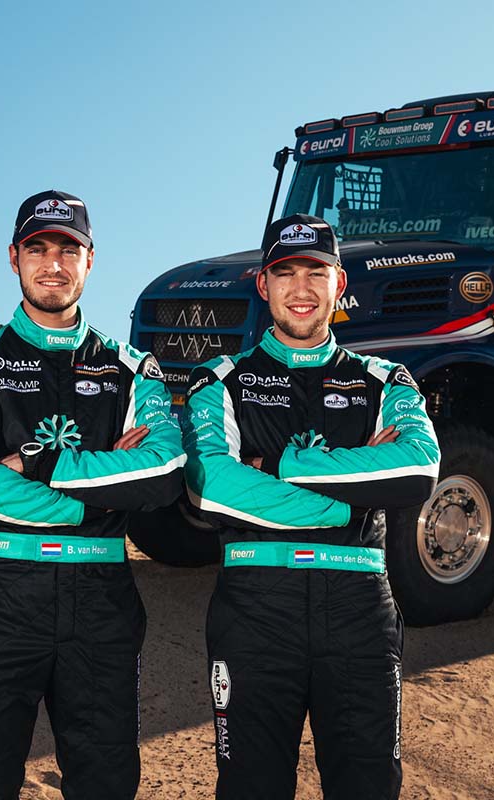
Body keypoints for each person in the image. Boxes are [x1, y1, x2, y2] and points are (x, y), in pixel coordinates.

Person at [0, 189, 185, 799]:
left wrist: (33, 464)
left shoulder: (133, 369)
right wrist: (102, 491)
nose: (53, 264)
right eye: (38, 248)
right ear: (13, 257)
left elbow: (162, 475)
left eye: (68, 250)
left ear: (90, 260)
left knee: (107, 783)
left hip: (102, 600)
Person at [183, 214, 441, 799]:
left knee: (369, 788)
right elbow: (210, 489)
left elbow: (417, 469)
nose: (301, 289)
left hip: (359, 611)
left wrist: (277, 465)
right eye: (285, 273)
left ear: (339, 283)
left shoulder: (385, 380)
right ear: (263, 284)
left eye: (316, 273)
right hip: (254, 611)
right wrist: (350, 496)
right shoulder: (219, 381)